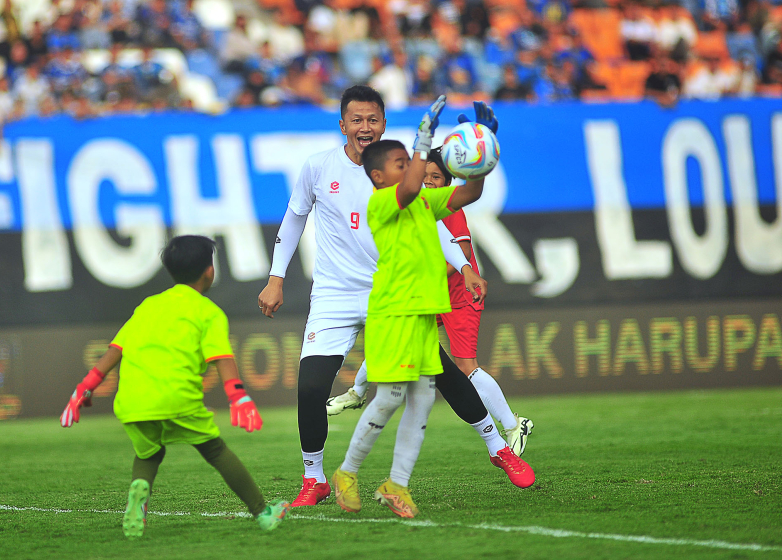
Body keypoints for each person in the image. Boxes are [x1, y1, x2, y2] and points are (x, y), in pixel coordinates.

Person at [258, 86, 508, 507]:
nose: (365, 127)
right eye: (357, 119)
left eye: (372, 119)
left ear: (384, 123)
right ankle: (314, 477)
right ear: (342, 125)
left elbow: (436, 219)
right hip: (335, 295)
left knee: (442, 373)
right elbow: (294, 216)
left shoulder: (402, 174)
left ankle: (498, 447)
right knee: (310, 388)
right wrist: (275, 277)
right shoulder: (320, 167)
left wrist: (464, 264)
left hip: (390, 292)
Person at [332, 99, 532, 519]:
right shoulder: (383, 204)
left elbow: (470, 193)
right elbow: (407, 190)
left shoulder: (424, 202)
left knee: (421, 403)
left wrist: (485, 149)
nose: (412, 168)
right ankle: (347, 473)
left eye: (411, 161)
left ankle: (395, 484)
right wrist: (424, 141)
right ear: (377, 177)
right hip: (393, 315)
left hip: (423, 316)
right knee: (388, 399)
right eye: (401, 162)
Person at [60, 235, 289, 537]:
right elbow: (222, 357)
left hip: (131, 401)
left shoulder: (148, 305)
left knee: (148, 454)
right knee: (215, 450)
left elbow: (114, 352)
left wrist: (82, 390)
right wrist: (239, 397)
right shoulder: (207, 312)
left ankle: (138, 498)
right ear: (210, 271)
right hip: (177, 398)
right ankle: (263, 512)